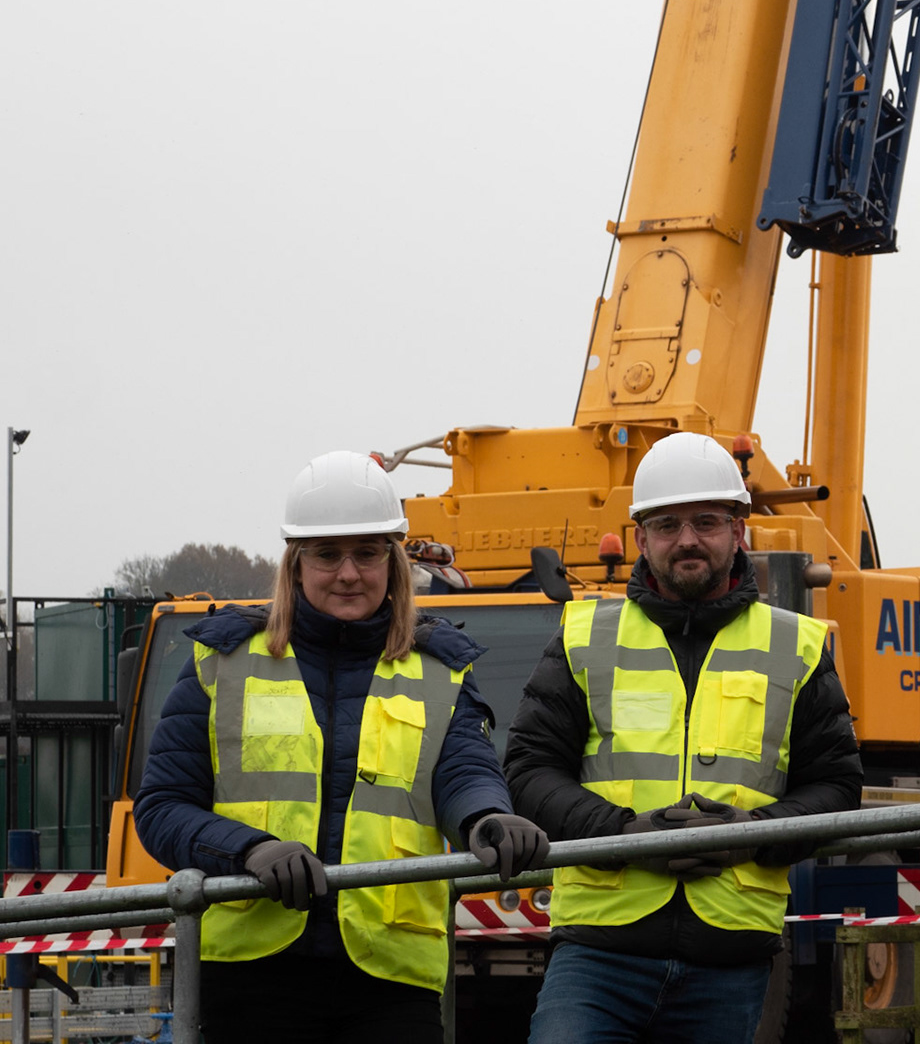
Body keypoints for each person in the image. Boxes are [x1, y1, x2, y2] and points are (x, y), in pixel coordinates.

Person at [135, 450, 548, 1043]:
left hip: (390, 977)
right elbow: (163, 808)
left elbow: (463, 773)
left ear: (393, 561)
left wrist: (488, 818)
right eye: (327, 554)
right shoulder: (219, 660)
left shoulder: (442, 669)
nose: (348, 573)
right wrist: (250, 850)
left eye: (367, 552)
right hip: (253, 975)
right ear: (296, 564)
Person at [505, 431, 861, 1044]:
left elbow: (836, 788)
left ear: (738, 530)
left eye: (706, 521)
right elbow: (530, 770)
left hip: (730, 957)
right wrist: (621, 835)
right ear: (640, 537)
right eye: (667, 525)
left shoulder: (797, 645)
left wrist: (750, 836)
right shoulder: (583, 635)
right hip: (598, 950)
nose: (688, 539)